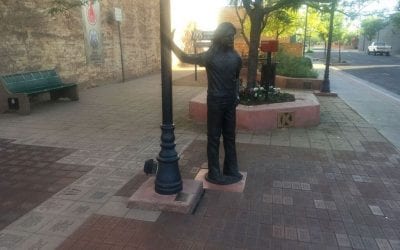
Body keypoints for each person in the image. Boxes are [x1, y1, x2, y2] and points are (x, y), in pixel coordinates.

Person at [167, 22, 243, 185]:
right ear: (220, 37)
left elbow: (236, 79)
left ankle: (231, 169)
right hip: (215, 101)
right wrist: (170, 43)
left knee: (230, 137)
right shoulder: (209, 56)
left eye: (232, 36)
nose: (231, 38)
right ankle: (214, 172)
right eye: (228, 35)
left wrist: (236, 94)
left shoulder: (236, 57)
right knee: (214, 138)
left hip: (230, 102)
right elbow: (184, 57)